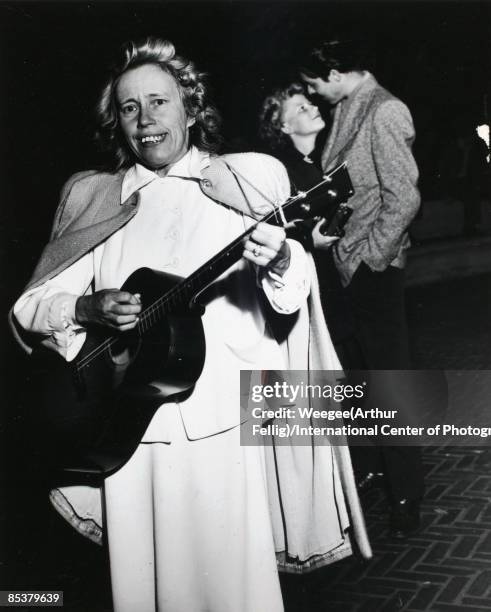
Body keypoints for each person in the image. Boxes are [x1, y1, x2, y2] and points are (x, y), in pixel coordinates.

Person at [11, 37, 370, 611]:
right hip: (128, 432)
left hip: (223, 426)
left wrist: (279, 257)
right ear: (116, 123)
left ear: (190, 108)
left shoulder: (241, 181)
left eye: (159, 101)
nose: (145, 118)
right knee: (146, 590)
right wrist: (84, 308)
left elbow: (294, 292)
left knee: (233, 591)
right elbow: (30, 307)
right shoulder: (97, 196)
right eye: (129, 107)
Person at [299, 39, 423, 538]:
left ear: (331, 71)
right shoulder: (351, 106)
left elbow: (404, 197)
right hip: (347, 267)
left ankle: (406, 494)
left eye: (311, 82)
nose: (309, 91)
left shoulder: (386, 109)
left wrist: (371, 256)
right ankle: (375, 469)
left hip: (373, 269)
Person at [259, 82, 363, 368]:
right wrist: (308, 241)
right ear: (284, 126)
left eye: (310, 103)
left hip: (324, 283)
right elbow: (270, 228)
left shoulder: (311, 162)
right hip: (304, 289)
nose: (314, 107)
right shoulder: (280, 169)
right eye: (301, 108)